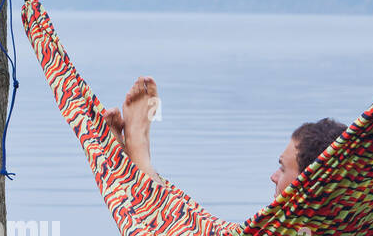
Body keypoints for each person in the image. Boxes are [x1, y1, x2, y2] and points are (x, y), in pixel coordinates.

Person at [102, 76, 347, 198]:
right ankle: (140, 166)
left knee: (178, 230)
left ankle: (138, 156)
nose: (272, 177)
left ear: (311, 182)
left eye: (283, 169)